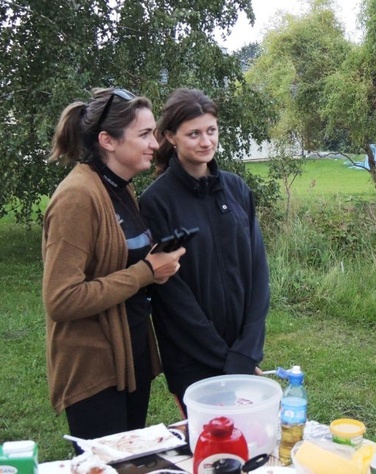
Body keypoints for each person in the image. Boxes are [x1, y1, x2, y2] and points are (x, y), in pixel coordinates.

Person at [42, 87, 186, 448]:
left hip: (130, 357)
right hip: (95, 371)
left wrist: (158, 259)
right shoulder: (77, 196)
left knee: (129, 463)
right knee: (104, 465)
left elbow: (119, 257)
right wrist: (146, 272)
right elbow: (61, 299)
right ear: (107, 140)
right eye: (143, 135)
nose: (155, 143)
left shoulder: (122, 188)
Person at [139, 88, 270, 413]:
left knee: (249, 448)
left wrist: (246, 350)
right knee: (208, 451)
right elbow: (173, 297)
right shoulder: (157, 202)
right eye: (193, 133)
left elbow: (258, 270)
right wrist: (224, 360)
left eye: (211, 131)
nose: (205, 141)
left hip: (243, 351)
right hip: (192, 359)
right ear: (170, 136)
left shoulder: (237, 188)